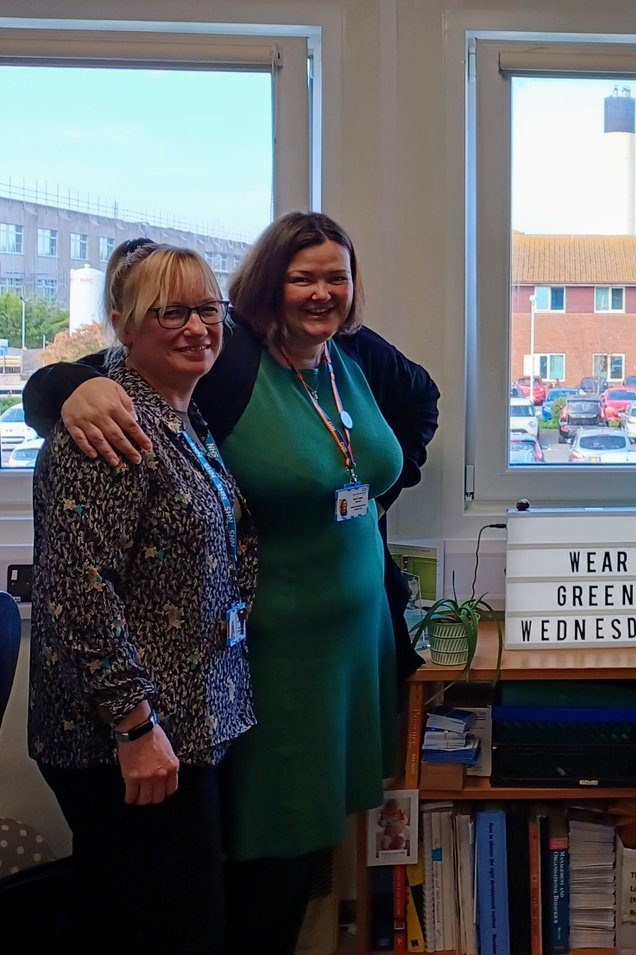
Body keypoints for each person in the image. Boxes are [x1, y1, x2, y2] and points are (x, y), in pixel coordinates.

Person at [24, 212, 440, 955]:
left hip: (335, 654)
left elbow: (419, 400)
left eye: (336, 276)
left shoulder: (350, 351)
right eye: (302, 276)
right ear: (265, 285)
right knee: (222, 881)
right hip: (256, 662)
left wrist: (387, 481)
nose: (322, 292)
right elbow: (103, 392)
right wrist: (67, 389)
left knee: (267, 864)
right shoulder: (229, 359)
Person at [28, 241, 258, 954]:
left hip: (184, 720)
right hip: (130, 738)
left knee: (111, 921)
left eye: (207, 309)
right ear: (125, 326)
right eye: (171, 313)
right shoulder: (110, 429)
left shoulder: (181, 415)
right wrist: (134, 728)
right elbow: (78, 594)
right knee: (177, 932)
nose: (197, 327)